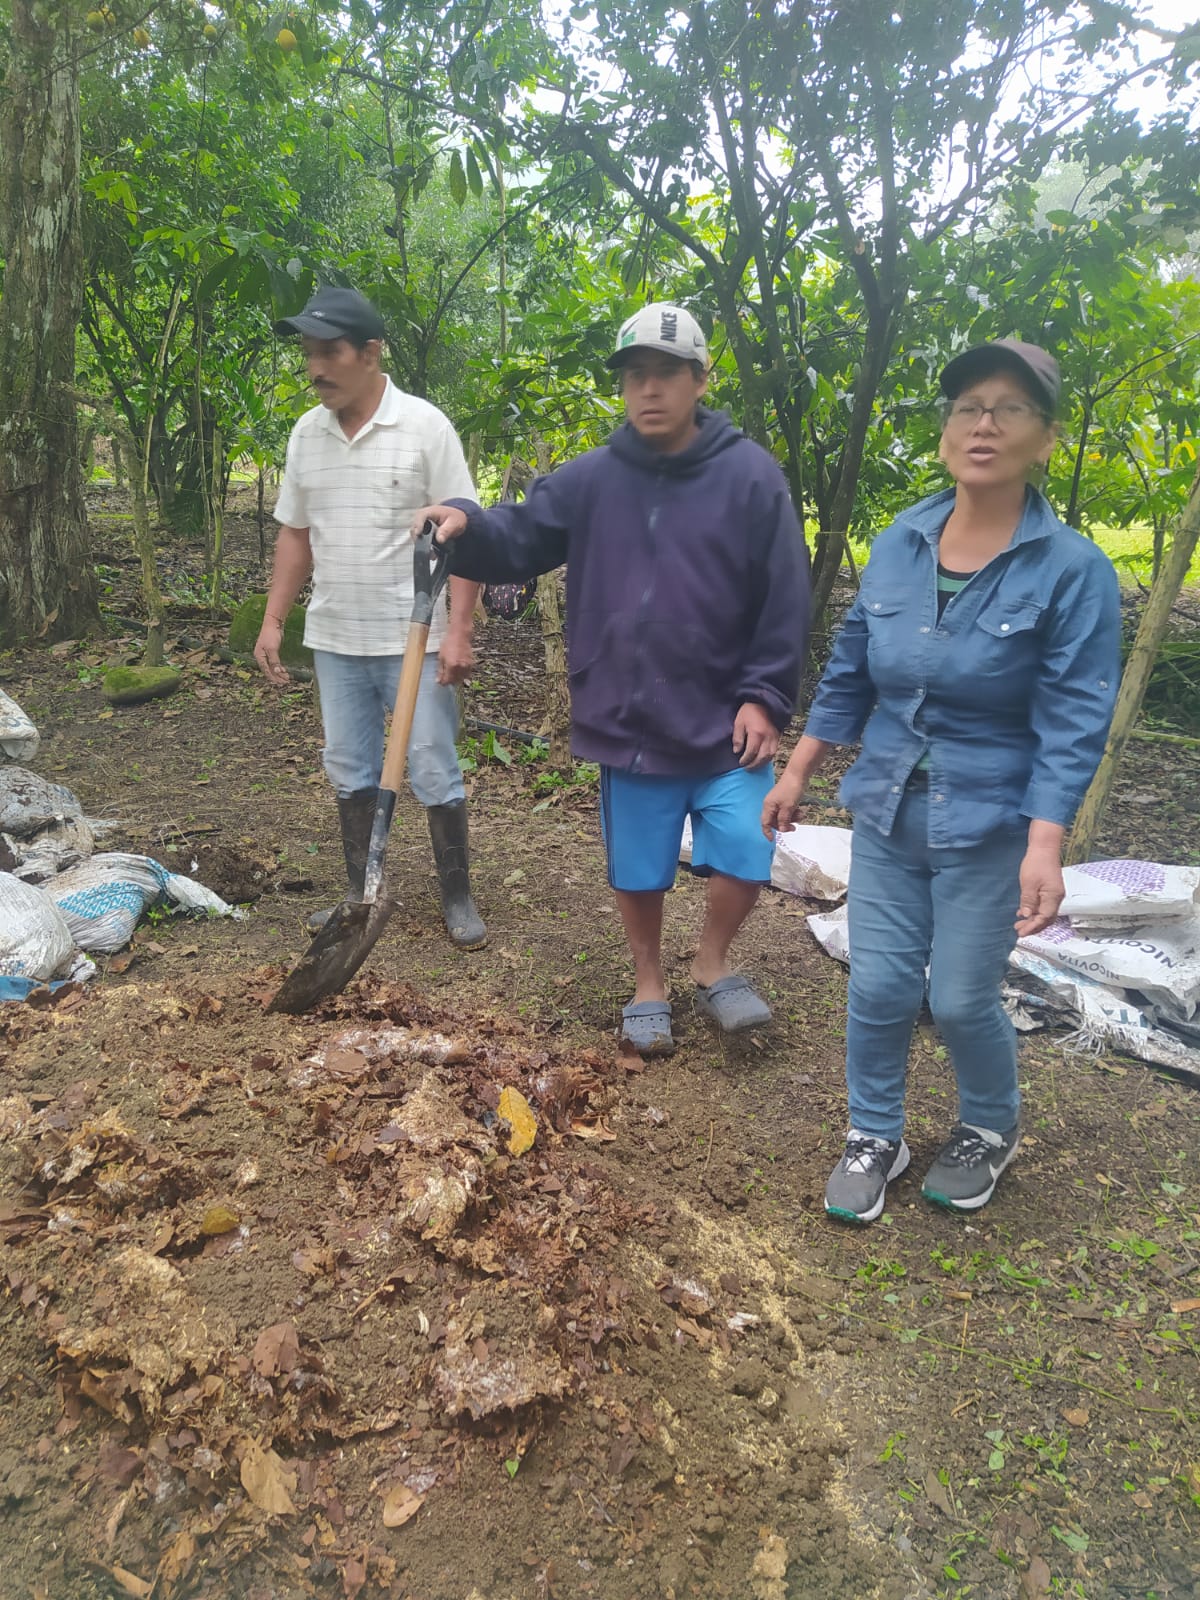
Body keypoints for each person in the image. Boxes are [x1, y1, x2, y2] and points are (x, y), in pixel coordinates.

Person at [763, 339, 1121, 1221]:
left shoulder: (1073, 570)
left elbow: (1074, 716)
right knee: (880, 987)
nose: (984, 424)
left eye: (1010, 408)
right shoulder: (901, 542)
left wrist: (1047, 843)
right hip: (889, 808)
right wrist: (799, 767)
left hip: (992, 822)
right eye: (967, 407)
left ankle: (990, 1126)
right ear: (946, 431)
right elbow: (851, 668)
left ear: (1046, 437)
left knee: (959, 1000)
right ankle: (874, 1133)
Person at [415, 303, 810, 1055]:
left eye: (666, 373)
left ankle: (713, 963)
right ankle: (648, 981)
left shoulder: (751, 478)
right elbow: (521, 532)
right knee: (639, 867)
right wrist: (467, 520)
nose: (649, 389)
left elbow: (784, 595)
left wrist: (766, 695)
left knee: (745, 850)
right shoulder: (593, 479)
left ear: (700, 379)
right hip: (630, 717)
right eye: (635, 376)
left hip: (728, 718)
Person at [254, 285, 487, 949]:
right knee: (348, 765)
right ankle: (360, 892)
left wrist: (459, 630)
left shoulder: (424, 427)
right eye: (309, 354)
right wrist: (274, 620)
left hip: (415, 634)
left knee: (432, 762)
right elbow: (295, 534)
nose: (315, 368)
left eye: (329, 353)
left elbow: (464, 529)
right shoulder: (307, 434)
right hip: (336, 634)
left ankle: (457, 895)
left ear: (370, 352)